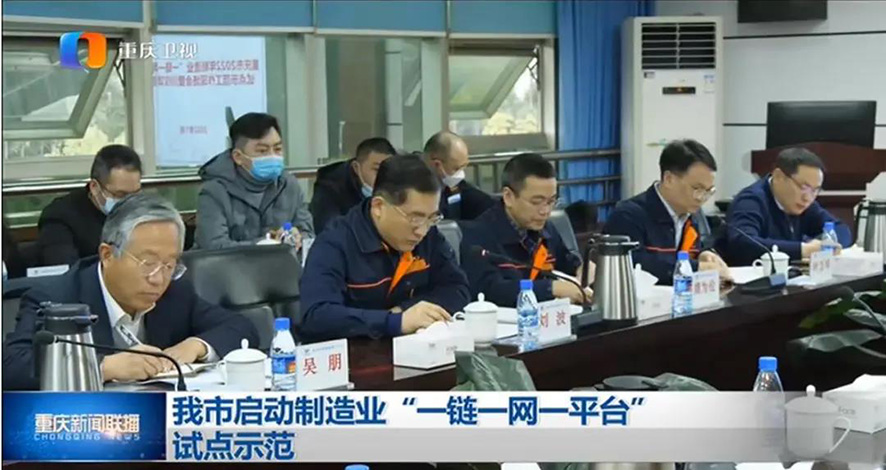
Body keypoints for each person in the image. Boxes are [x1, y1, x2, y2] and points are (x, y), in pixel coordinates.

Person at [2, 193, 258, 391]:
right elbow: (11, 366)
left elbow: (240, 327)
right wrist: (104, 366)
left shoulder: (176, 291)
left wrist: (196, 346)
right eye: (147, 263)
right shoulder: (56, 297)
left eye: (169, 265)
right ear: (107, 255)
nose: (158, 278)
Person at [298, 153, 470, 342]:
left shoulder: (429, 235)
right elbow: (316, 316)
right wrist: (394, 321)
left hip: (414, 351)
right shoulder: (335, 243)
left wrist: (404, 311)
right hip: (351, 354)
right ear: (378, 206)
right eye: (415, 218)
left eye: (432, 218)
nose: (422, 231)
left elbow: (457, 289)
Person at [460, 153, 593, 307]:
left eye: (551, 201)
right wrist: (551, 289)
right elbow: (490, 290)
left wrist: (583, 269)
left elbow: (569, 265)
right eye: (536, 202)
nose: (545, 211)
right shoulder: (478, 235)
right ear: (508, 197)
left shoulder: (546, 229)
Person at [603, 139, 730, 284]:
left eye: (709, 191)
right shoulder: (628, 215)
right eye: (698, 189)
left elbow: (694, 250)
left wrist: (704, 254)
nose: (702, 198)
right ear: (669, 179)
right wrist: (696, 268)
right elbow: (632, 263)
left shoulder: (692, 213)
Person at [195, 112, 314, 249]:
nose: (272, 156)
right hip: (232, 263)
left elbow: (308, 235)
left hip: (283, 262)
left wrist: (298, 238)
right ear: (238, 157)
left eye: (278, 149)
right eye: (262, 151)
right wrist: (265, 245)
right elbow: (213, 247)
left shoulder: (289, 185)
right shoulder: (214, 192)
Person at [723, 147, 851, 266]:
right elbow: (743, 243)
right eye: (803, 187)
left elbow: (841, 229)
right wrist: (803, 250)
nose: (808, 197)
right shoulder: (751, 201)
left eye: (815, 190)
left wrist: (822, 245)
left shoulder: (804, 204)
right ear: (778, 176)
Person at [37, 144, 142, 266]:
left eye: (135, 194)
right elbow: (68, 272)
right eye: (120, 194)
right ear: (95, 188)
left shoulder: (143, 211)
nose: (129, 202)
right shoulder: (59, 217)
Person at [310, 137, 395, 234]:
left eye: (388, 171)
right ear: (356, 168)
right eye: (377, 170)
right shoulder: (330, 187)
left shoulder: (398, 184)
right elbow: (330, 231)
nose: (383, 176)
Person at [424, 131, 495, 221]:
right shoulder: (414, 189)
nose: (460, 174)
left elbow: (472, 195)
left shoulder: (455, 187)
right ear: (437, 165)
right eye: (456, 169)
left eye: (463, 167)